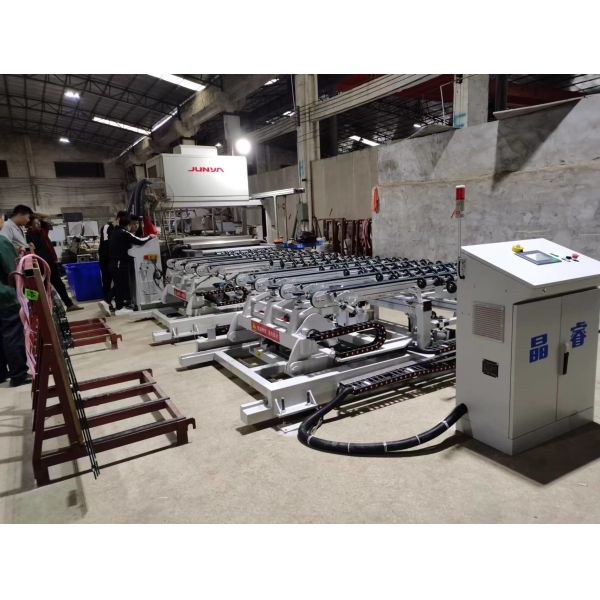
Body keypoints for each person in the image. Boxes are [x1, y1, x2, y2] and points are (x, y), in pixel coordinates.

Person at [26, 216, 83, 312]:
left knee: (60, 285)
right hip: (41, 266)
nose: (39, 224)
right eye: (36, 223)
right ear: (30, 226)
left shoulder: (43, 232)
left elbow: (45, 223)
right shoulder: (29, 236)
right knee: (43, 288)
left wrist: (36, 216)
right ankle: (45, 310)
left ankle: (69, 305)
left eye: (39, 223)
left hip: (51, 264)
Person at [0, 213, 31, 387]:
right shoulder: (2, 242)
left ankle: (1, 373)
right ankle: (18, 375)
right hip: (5, 297)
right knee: (13, 335)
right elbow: (12, 272)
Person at [108, 214, 155, 315]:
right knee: (120, 285)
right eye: (132, 224)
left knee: (118, 284)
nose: (134, 226)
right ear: (128, 225)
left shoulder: (115, 231)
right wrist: (150, 237)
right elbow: (139, 241)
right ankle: (120, 308)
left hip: (113, 262)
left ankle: (109, 302)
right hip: (119, 262)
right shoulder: (124, 232)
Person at [98, 209, 127, 315]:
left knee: (118, 282)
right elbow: (107, 243)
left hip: (113, 258)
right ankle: (107, 303)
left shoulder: (119, 229)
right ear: (118, 218)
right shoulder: (107, 227)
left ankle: (117, 304)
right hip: (106, 258)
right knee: (107, 281)